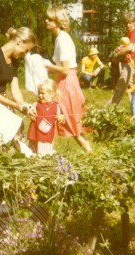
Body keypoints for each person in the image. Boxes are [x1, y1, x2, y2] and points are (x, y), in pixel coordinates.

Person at [45, 5, 92, 152]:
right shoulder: (60, 37)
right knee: (57, 116)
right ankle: (46, 152)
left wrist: (46, 65)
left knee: (67, 118)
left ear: (57, 21)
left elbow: (65, 70)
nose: (46, 21)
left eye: (49, 19)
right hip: (65, 80)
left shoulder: (62, 39)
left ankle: (88, 151)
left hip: (67, 82)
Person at [0, 27, 36, 144]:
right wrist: (15, 105)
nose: (25, 54)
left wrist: (23, 105)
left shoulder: (13, 60)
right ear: (19, 42)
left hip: (3, 100)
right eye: (26, 50)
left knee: (16, 134)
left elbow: (15, 88)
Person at [27, 79, 65, 156]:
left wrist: (61, 117)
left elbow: (60, 116)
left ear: (51, 94)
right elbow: (29, 110)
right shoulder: (36, 104)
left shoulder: (56, 106)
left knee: (44, 152)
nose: (40, 95)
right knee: (32, 151)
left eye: (42, 93)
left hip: (47, 135)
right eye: (39, 93)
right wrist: (29, 112)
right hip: (35, 133)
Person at [110, 12, 135, 104]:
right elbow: (125, 46)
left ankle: (110, 108)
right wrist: (118, 49)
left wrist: (116, 55)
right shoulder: (128, 33)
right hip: (126, 62)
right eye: (126, 23)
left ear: (134, 22)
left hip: (130, 63)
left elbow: (129, 48)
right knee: (133, 88)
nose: (127, 25)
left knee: (120, 87)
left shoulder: (134, 32)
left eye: (130, 23)